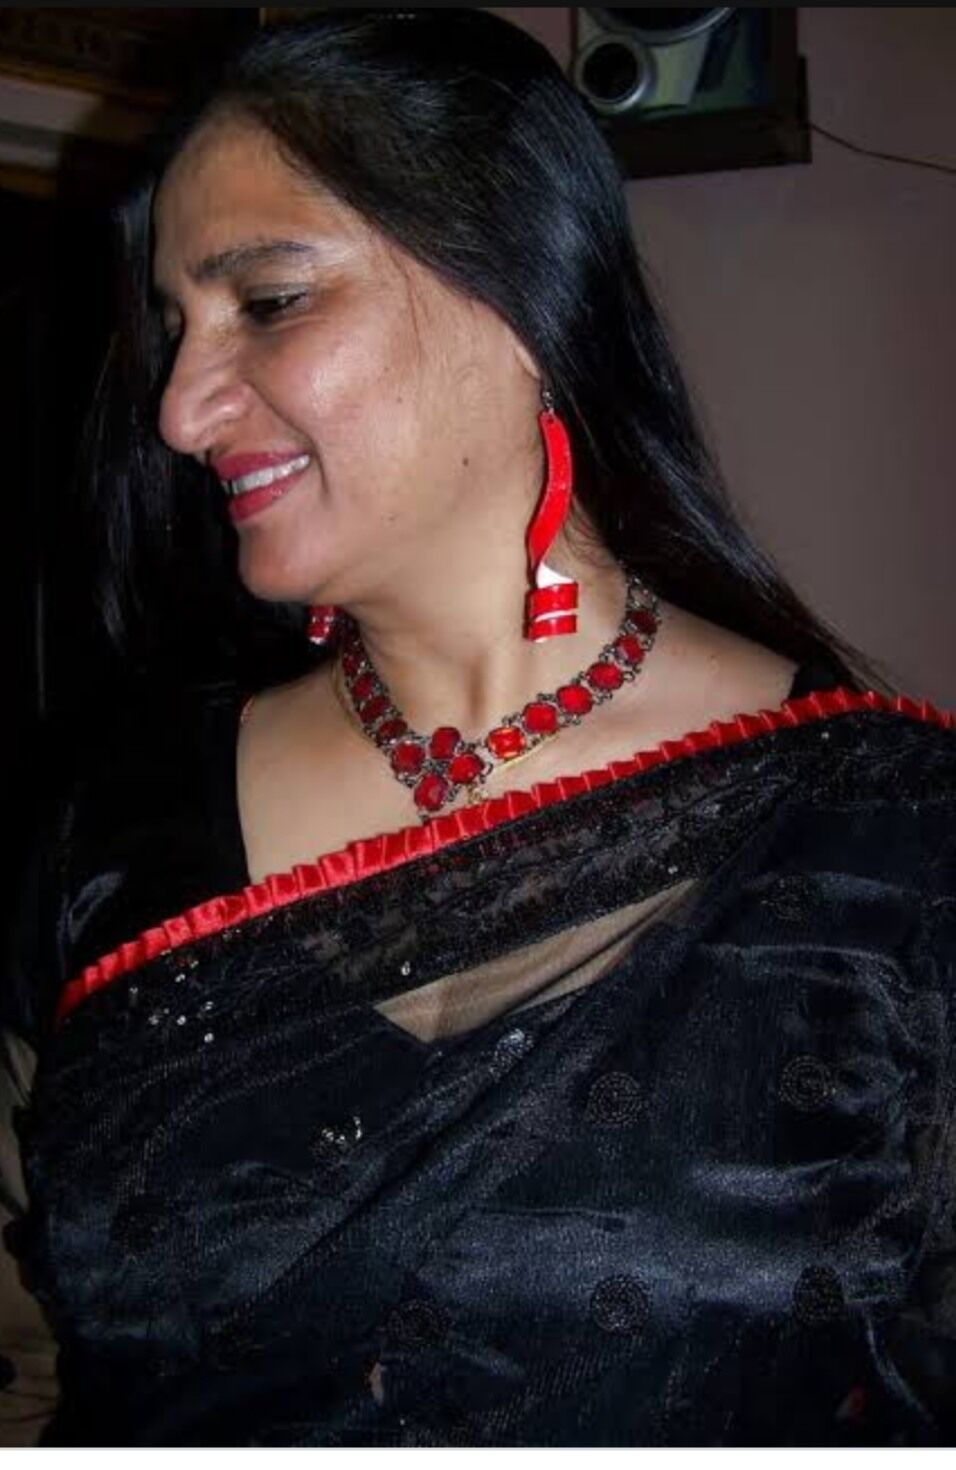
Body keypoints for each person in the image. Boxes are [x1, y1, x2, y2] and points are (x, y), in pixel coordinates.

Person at [2, 8, 955, 1448]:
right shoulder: (108, 835)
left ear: (520, 293)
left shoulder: (898, 839)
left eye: (268, 300)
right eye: (176, 331)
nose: (182, 412)